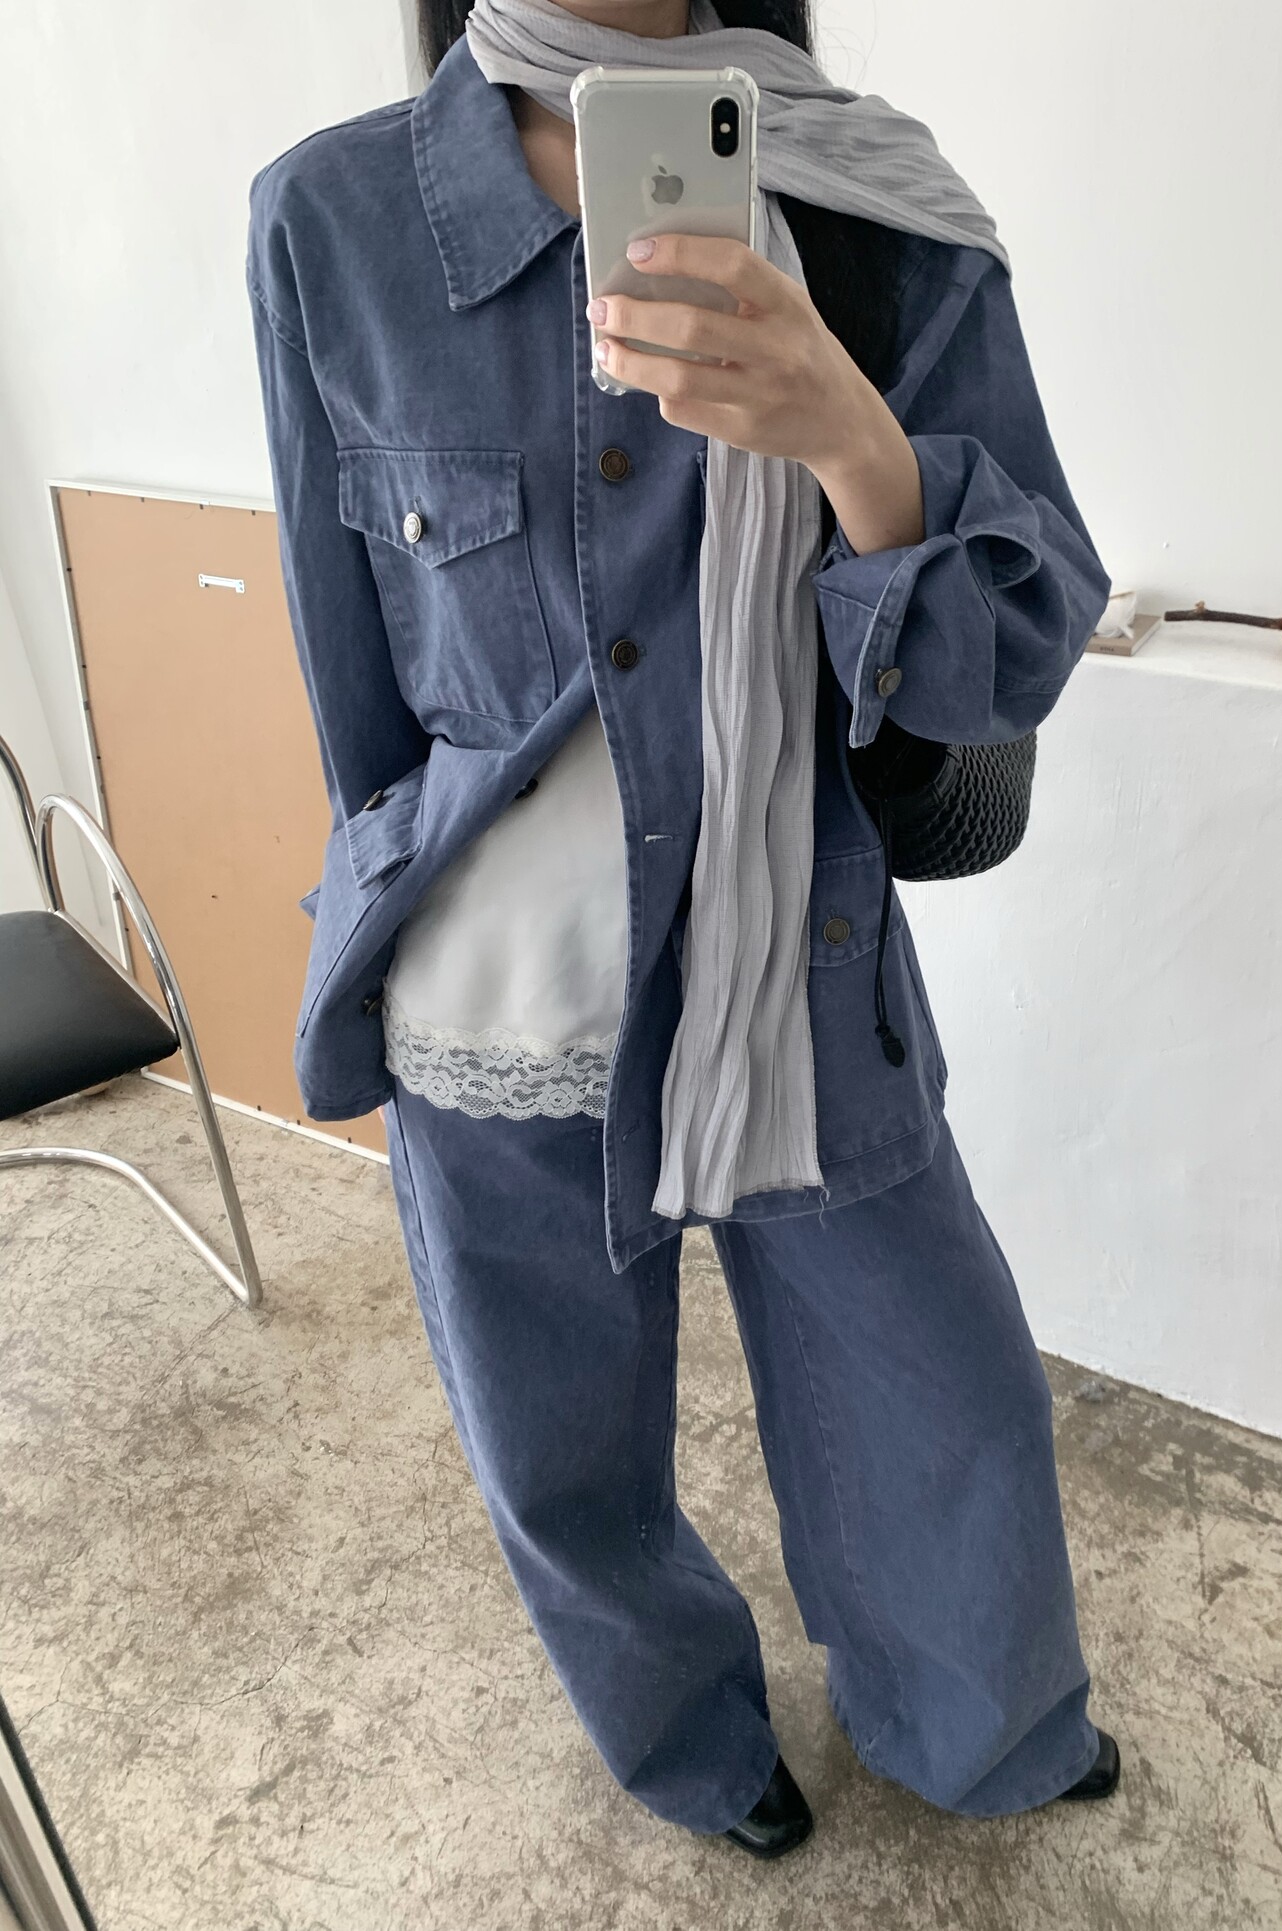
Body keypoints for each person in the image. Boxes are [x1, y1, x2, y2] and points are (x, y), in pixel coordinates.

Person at [245, 0, 1119, 1861]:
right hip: (493, 990)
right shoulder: (332, 218)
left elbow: (1022, 641)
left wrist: (856, 446)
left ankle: (986, 1724)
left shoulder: (875, 204)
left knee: (944, 1407)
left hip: (800, 970)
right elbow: (354, 685)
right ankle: (693, 1749)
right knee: (561, 1452)